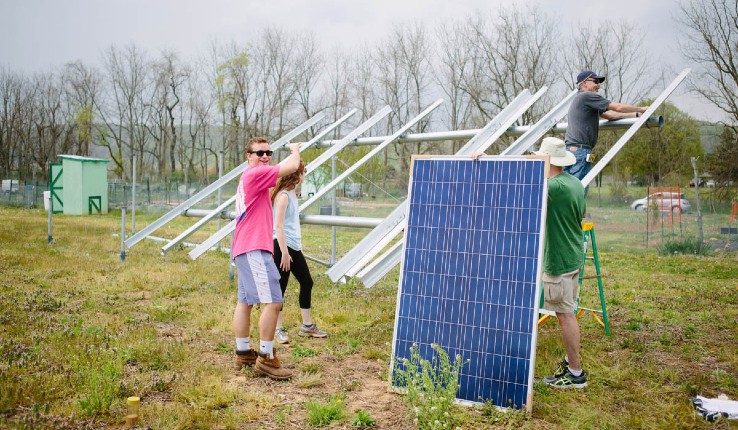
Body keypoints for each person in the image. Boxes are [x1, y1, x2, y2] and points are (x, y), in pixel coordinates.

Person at [232, 137, 301, 380]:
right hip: (254, 248)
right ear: (248, 156)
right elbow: (292, 166)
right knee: (273, 301)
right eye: (259, 152)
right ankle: (266, 357)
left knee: (246, 301)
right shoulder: (254, 175)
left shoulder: (250, 178)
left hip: (244, 247)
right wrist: (295, 149)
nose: (265, 156)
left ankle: (243, 352)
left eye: (268, 152)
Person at [534, 137, 588, 388]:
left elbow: (516, 185)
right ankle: (571, 361)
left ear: (547, 159)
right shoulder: (575, 183)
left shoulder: (551, 188)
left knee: (565, 315)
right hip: (574, 255)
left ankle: (576, 374)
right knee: (569, 310)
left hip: (559, 259)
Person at [271, 161, 328, 344]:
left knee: (307, 282)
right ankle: (277, 328)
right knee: (281, 288)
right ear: (296, 175)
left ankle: (307, 326)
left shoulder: (293, 195)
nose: (305, 175)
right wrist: (285, 252)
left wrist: (298, 247)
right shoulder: (283, 196)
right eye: (303, 172)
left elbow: (292, 224)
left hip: (294, 247)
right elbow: (278, 226)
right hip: (282, 247)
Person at [564, 70, 648, 181]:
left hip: (573, 150)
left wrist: (636, 114)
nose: (598, 85)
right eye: (595, 81)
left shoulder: (582, 100)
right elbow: (618, 107)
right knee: (578, 191)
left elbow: (611, 116)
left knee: (571, 191)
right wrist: (641, 108)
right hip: (580, 152)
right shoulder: (587, 96)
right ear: (584, 83)